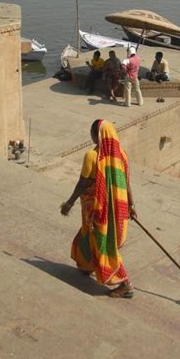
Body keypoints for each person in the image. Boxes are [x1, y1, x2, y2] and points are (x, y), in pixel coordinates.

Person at [60, 119, 137, 298]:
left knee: (104, 245)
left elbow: (83, 182)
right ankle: (86, 265)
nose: (91, 136)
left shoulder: (92, 156)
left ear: (98, 136)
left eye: (92, 133)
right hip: (116, 210)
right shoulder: (122, 155)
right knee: (88, 236)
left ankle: (126, 284)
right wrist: (131, 206)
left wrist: (69, 203)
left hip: (96, 210)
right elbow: (126, 184)